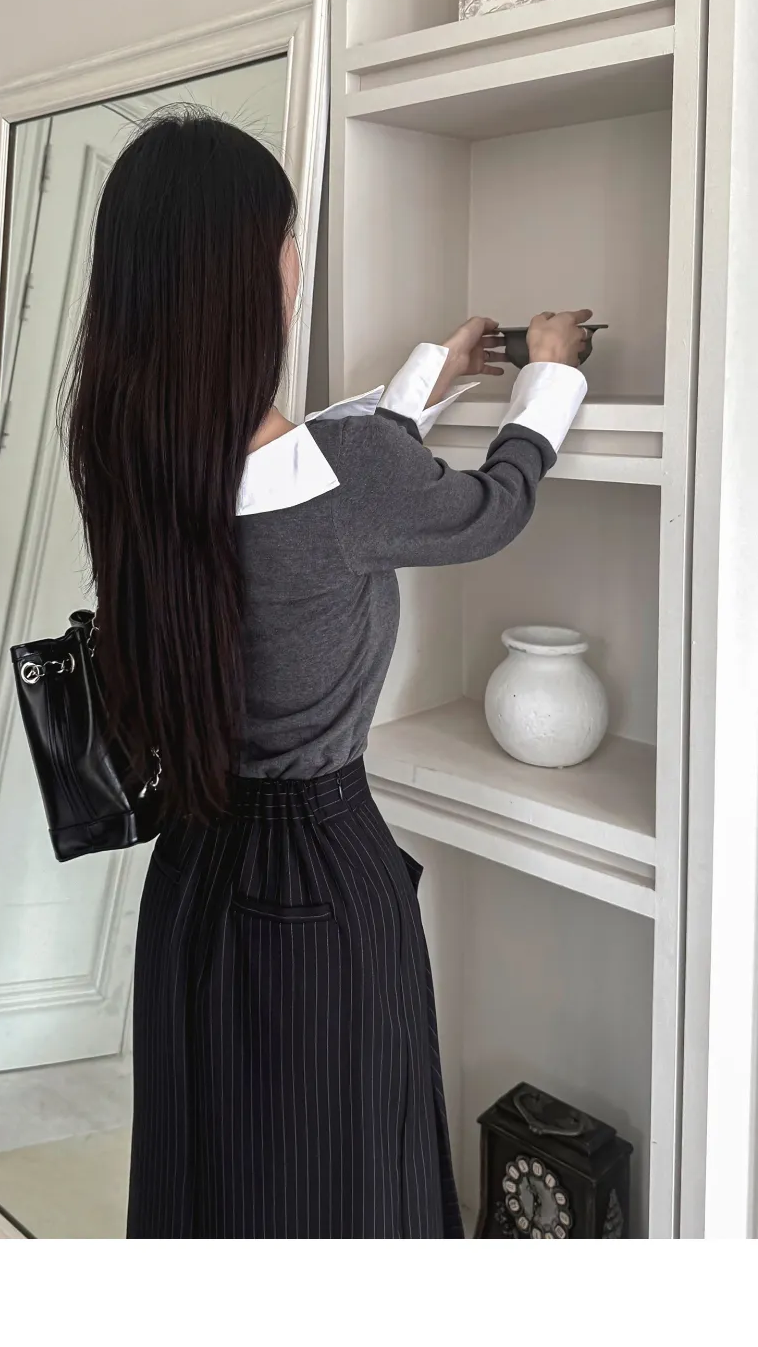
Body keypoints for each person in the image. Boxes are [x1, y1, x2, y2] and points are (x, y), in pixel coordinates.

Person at [63, 111, 591, 1238]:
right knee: (339, 1185)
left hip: (193, 873)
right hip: (313, 883)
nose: (296, 259)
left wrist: (428, 374)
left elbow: (325, 466)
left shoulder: (129, 459)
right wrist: (547, 376)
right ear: (254, 277)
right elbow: (488, 507)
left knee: (215, 1179)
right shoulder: (345, 479)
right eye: (287, 237)